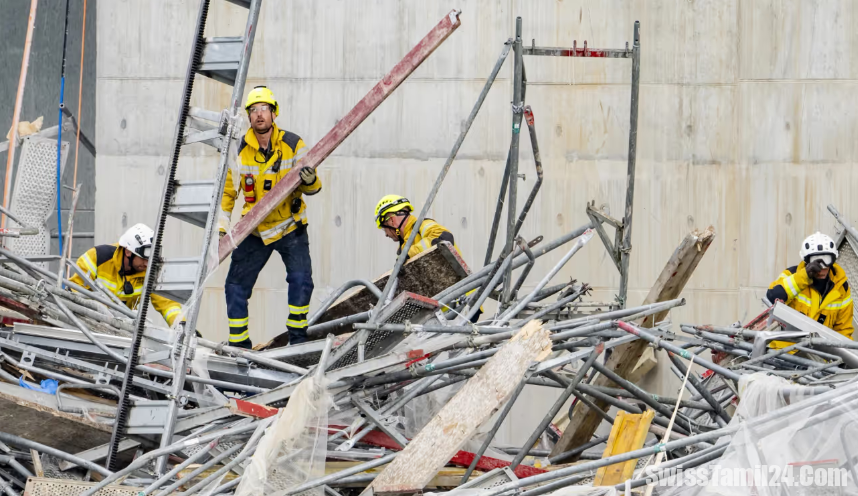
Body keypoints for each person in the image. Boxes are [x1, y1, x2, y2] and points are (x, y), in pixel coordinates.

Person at [219, 86, 321, 349]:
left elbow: (314, 187)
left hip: (290, 226)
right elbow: (227, 193)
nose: (259, 115)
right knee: (235, 287)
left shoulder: (293, 144)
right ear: (249, 117)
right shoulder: (239, 151)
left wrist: (310, 181)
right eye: (253, 111)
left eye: (264, 109)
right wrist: (222, 226)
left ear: (274, 113)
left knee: (301, 280)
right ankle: (239, 347)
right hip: (255, 229)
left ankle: (297, 341)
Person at [70, 224, 183, 326]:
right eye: (143, 258)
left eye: (151, 259)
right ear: (128, 252)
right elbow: (74, 293)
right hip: (86, 325)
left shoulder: (150, 271)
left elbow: (167, 304)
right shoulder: (97, 258)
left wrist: (182, 326)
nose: (147, 264)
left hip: (121, 330)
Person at [766, 232, 853, 342]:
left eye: (826, 260)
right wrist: (804, 276)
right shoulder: (791, 275)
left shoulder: (841, 287)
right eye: (816, 261)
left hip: (816, 356)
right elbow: (772, 297)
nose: (821, 268)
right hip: (785, 352)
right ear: (806, 261)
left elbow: (843, 330)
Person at [374, 195, 455, 258]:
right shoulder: (404, 247)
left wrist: (408, 254)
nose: (386, 234)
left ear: (391, 220)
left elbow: (445, 238)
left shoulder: (422, 225)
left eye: (384, 229)